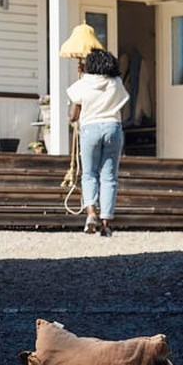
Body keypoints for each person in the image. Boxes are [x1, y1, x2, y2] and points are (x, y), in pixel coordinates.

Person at [67, 48, 130, 237]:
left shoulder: (82, 83)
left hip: (90, 128)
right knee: (109, 177)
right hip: (112, 127)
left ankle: (91, 213)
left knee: (89, 174)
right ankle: (105, 223)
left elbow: (73, 116)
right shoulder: (116, 82)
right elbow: (122, 104)